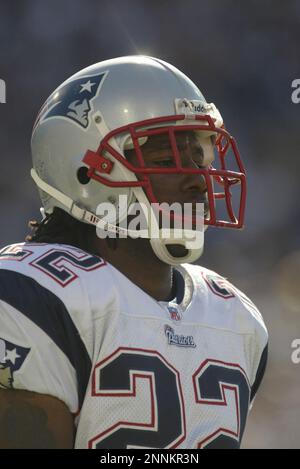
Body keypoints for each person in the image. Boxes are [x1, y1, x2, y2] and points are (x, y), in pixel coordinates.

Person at [0, 56, 268, 449]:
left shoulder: (237, 318)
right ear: (85, 173)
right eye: (165, 160)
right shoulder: (31, 296)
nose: (198, 181)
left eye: (200, 158)